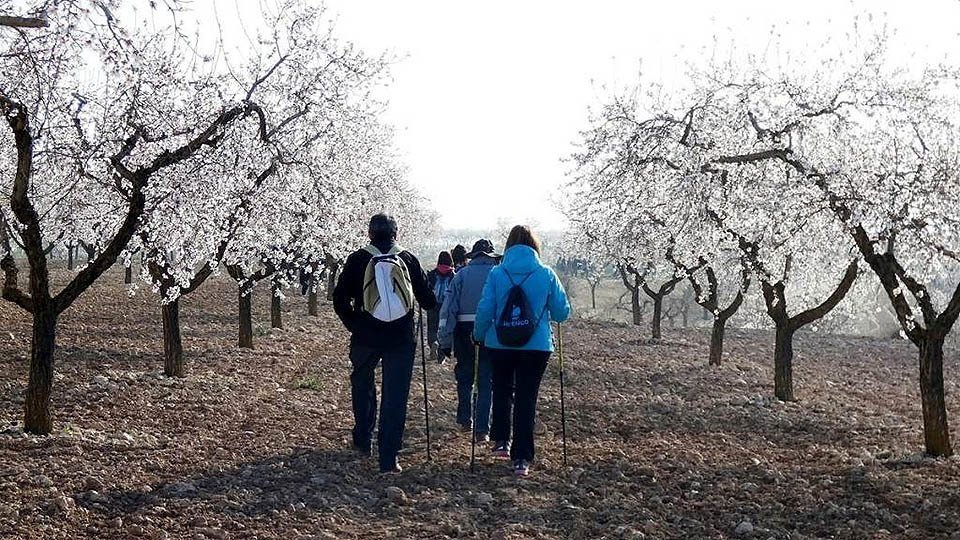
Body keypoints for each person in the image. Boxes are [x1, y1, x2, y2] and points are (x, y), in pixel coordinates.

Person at [332, 213, 437, 473]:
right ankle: (389, 457)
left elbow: (339, 298)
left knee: (362, 383)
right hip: (401, 338)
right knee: (395, 395)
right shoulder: (408, 259)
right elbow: (429, 301)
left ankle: (363, 438)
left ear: (370, 233)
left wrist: (355, 323)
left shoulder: (357, 259)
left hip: (365, 336)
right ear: (396, 233)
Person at [474, 225, 570, 477]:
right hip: (536, 346)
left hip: (500, 343)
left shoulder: (497, 273)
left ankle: (501, 441)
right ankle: (522, 458)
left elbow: (486, 308)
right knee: (527, 398)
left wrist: (478, 334)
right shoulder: (546, 274)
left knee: (502, 390)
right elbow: (561, 312)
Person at [438, 239, 499, 439]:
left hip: (463, 331)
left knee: (464, 376)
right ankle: (483, 428)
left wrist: (444, 341)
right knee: (486, 379)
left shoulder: (461, 275)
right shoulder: (498, 275)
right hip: (491, 331)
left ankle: (465, 420)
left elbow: (448, 310)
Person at [426, 251, 456, 361]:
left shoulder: (432, 274)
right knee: (444, 329)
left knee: (432, 327)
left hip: (433, 305)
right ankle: (441, 355)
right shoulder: (453, 276)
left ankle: (433, 342)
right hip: (446, 306)